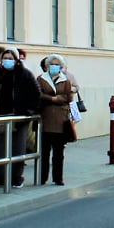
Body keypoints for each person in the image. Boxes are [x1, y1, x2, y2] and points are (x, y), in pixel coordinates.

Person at [0, 45, 38, 187]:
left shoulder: (25, 74)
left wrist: (29, 111)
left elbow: (35, 93)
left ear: (16, 59)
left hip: (18, 118)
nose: (7, 60)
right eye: (5, 58)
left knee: (17, 149)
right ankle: (0, 177)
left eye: (10, 58)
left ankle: (16, 177)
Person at [36, 54, 80, 185]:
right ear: (47, 66)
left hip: (61, 120)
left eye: (57, 64)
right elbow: (39, 94)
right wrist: (54, 98)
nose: (54, 66)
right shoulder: (41, 79)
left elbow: (68, 97)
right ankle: (42, 177)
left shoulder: (65, 80)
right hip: (46, 118)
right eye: (52, 64)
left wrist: (54, 98)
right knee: (45, 152)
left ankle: (58, 178)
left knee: (59, 152)